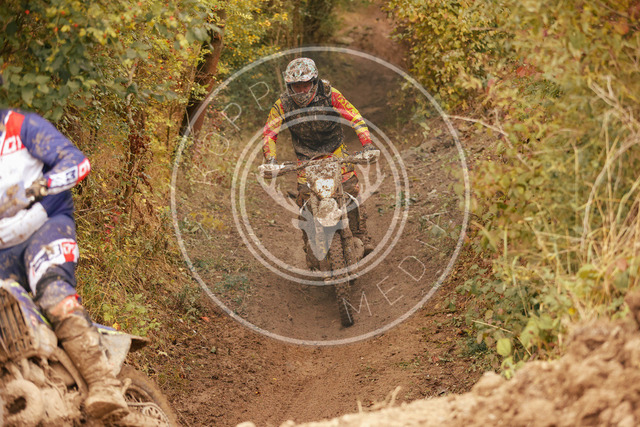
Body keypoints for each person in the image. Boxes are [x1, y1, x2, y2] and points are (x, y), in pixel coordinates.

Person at [0, 108, 129, 420]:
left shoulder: (21, 127)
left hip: (45, 225)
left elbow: (77, 162)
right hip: (3, 249)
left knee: (53, 293)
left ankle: (103, 383)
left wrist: (38, 188)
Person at [262, 57, 376, 255]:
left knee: (351, 189)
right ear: (289, 86)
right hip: (305, 158)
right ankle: (309, 242)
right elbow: (270, 133)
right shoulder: (282, 104)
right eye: (297, 86)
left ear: (314, 82)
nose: (301, 90)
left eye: (305, 85)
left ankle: (361, 234)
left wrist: (367, 144)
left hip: (335, 151)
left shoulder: (330, 94)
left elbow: (354, 117)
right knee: (304, 197)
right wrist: (270, 160)